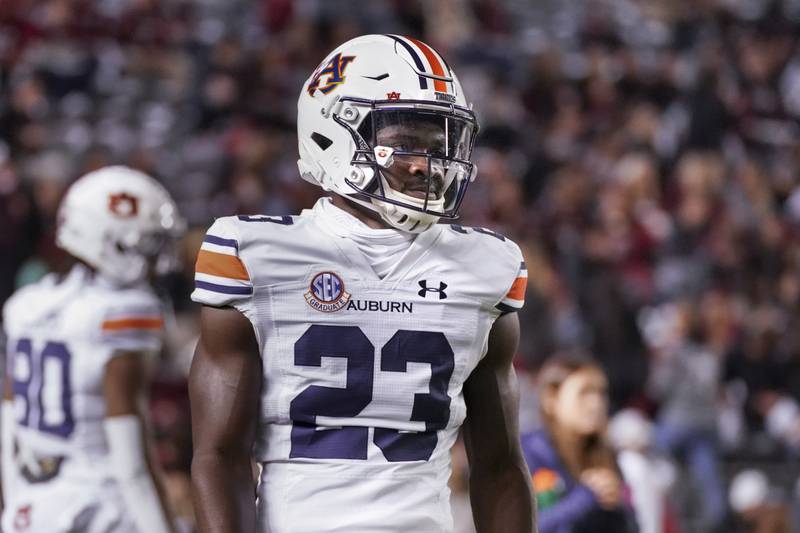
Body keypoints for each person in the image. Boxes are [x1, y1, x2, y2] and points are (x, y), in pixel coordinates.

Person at [189, 34, 536, 533]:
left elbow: (500, 465)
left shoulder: (485, 267)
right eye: (404, 143)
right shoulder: (256, 254)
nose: (425, 164)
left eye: (439, 145)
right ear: (332, 134)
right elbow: (218, 457)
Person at [1, 166, 181, 532]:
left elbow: (9, 422)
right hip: (102, 508)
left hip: (32, 510)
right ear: (109, 241)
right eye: (144, 246)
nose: (154, 261)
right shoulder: (125, 310)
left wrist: (15, 505)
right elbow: (130, 460)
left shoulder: (26, 304)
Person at [521, 355, 637, 533]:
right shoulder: (530, 452)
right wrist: (587, 496)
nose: (596, 403)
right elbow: (532, 526)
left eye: (601, 393)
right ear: (551, 399)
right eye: (584, 392)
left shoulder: (604, 453)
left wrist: (618, 505)